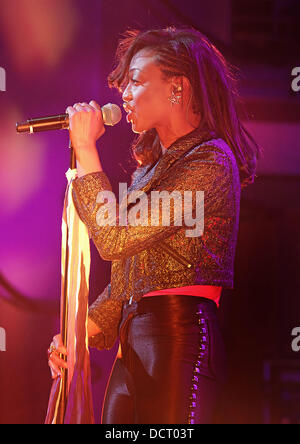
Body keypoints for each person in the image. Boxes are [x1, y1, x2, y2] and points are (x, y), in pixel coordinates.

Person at [47, 27, 260, 424]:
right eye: (123, 84)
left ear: (177, 87)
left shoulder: (210, 161)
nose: (123, 94)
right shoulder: (151, 171)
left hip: (177, 335)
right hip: (135, 336)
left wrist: (87, 149)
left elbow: (112, 238)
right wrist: (80, 333)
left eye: (137, 81)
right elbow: (133, 271)